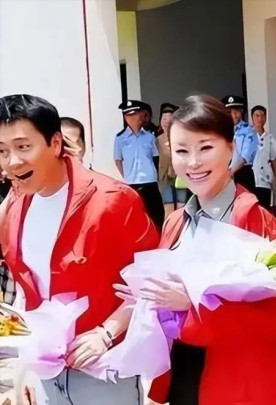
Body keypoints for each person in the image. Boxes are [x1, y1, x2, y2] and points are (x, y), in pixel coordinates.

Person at [114, 94, 276, 405]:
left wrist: (190, 305)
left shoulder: (257, 223)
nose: (193, 163)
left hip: (241, 381)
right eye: (181, 151)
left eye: (205, 148)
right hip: (186, 373)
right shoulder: (176, 222)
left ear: (231, 147)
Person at [0, 94, 159, 404]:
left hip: (103, 371)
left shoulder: (112, 200)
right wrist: (25, 364)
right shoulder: (15, 208)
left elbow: (151, 279)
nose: (12, 162)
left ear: (55, 143)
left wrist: (106, 333)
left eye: (23, 147)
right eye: (2, 151)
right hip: (46, 373)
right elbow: (26, 289)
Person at [115, 100, 165, 231]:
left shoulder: (149, 137)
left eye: (134, 114)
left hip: (150, 182)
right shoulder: (120, 138)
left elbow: (155, 157)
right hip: (132, 183)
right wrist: (126, 175)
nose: (131, 118)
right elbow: (118, 160)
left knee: (156, 215)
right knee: (134, 216)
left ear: (141, 116)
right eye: (128, 115)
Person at [221, 95, 258, 193]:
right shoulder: (222, 132)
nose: (233, 115)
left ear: (241, 111)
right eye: (229, 112)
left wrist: (231, 172)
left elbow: (245, 157)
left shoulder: (249, 131)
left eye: (236, 111)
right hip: (224, 174)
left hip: (242, 173)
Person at [156, 102, 185, 218]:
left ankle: (181, 229)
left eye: (169, 120)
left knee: (181, 208)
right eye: (164, 119)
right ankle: (169, 229)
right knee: (168, 209)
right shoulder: (156, 140)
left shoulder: (181, 138)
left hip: (180, 178)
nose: (166, 123)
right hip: (164, 180)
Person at [251, 105, 276, 209]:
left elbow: (274, 160)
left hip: (265, 181)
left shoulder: (269, 138)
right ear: (252, 118)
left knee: (265, 209)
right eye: (257, 115)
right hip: (250, 180)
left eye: (262, 116)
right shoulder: (247, 136)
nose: (260, 119)